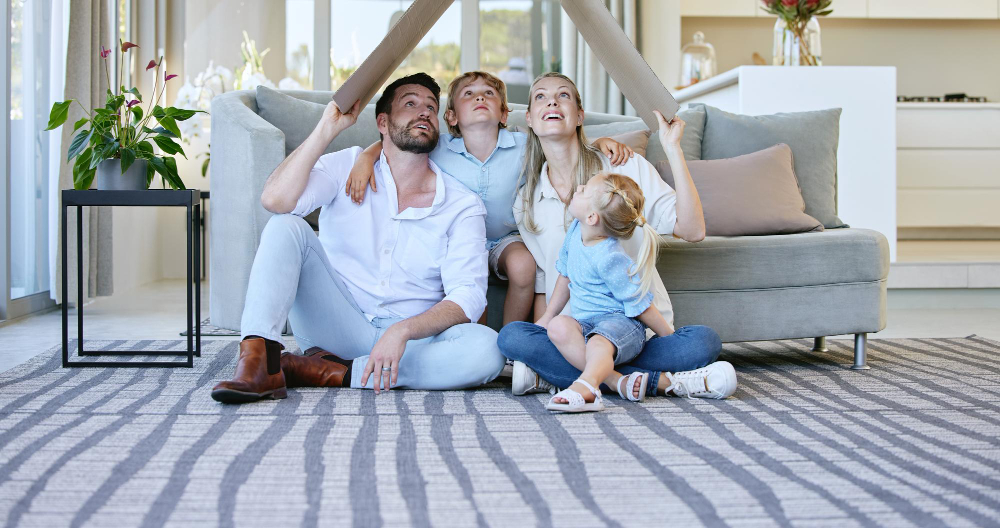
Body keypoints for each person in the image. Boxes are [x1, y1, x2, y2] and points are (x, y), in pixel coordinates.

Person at [211, 73, 505, 404]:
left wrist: (403, 330)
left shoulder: (462, 205)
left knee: (487, 350)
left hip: (410, 343)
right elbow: (276, 200)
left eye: (431, 107)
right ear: (382, 121)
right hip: (336, 325)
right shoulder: (346, 165)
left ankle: (331, 372)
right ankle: (259, 363)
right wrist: (327, 128)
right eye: (410, 103)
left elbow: (468, 296)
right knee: (285, 225)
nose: (424, 111)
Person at [498, 72, 738, 401]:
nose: (552, 101)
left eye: (564, 95)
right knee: (512, 337)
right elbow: (548, 280)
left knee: (703, 341)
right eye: (540, 96)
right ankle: (643, 381)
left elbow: (692, 229)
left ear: (580, 116)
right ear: (529, 118)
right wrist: (543, 325)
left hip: (639, 332)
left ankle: (563, 376)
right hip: (576, 334)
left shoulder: (623, 167)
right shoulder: (525, 204)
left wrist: (673, 150)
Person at [344, 71, 634, 325]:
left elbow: (563, 140)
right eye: (468, 94)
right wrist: (365, 159)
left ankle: (511, 341)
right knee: (467, 277)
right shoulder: (439, 147)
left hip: (505, 239)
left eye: (489, 94)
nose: (479, 98)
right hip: (455, 238)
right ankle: (476, 337)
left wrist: (599, 142)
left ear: (504, 113)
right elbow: (396, 142)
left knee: (523, 266)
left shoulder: (523, 145)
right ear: (452, 116)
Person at [537, 173, 736, 412]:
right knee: (556, 326)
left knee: (599, 343)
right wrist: (548, 317)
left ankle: (587, 385)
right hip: (585, 324)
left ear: (591, 217)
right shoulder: (575, 230)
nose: (578, 187)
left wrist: (670, 338)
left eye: (584, 190)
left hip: (620, 325)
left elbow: (639, 304)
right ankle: (619, 381)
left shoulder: (610, 257)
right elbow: (565, 272)